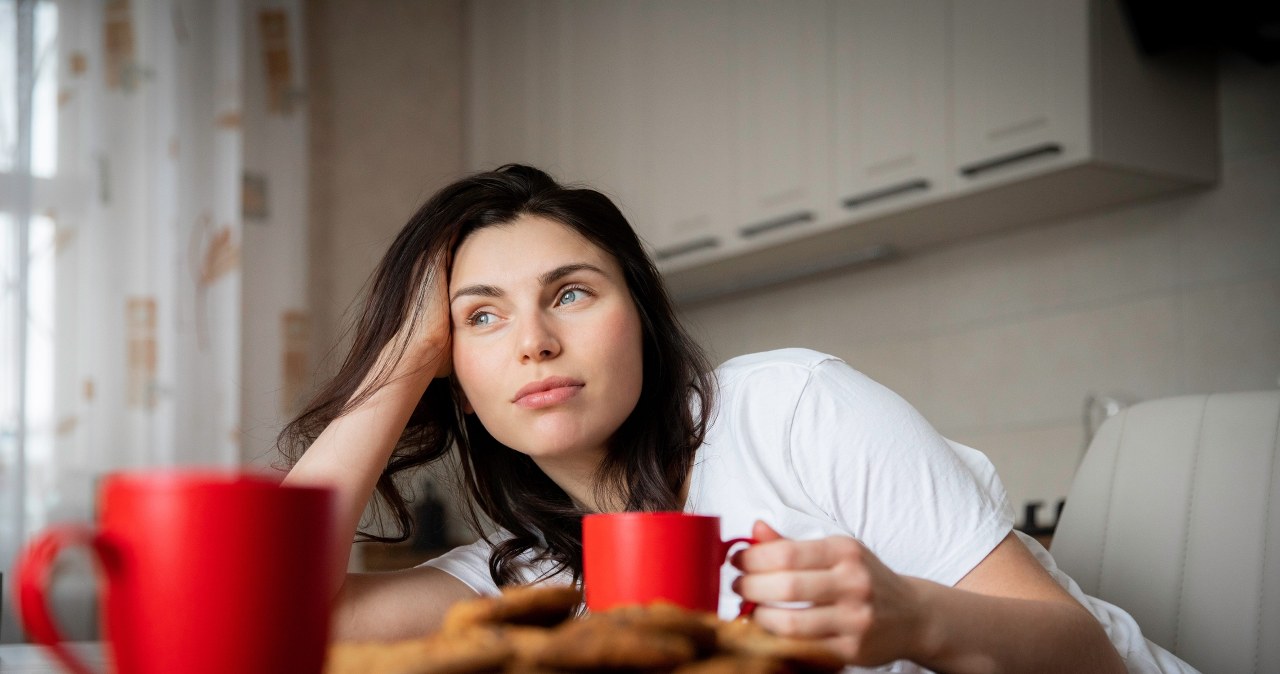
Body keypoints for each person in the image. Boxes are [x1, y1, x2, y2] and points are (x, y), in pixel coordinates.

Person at [280, 164, 1188, 673]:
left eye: (571, 294)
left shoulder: (790, 408)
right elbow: (273, 622)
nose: (533, 341)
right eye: (480, 317)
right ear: (454, 375)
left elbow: (1083, 653)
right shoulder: (522, 581)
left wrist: (915, 619)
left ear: (639, 315)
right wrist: (398, 363)